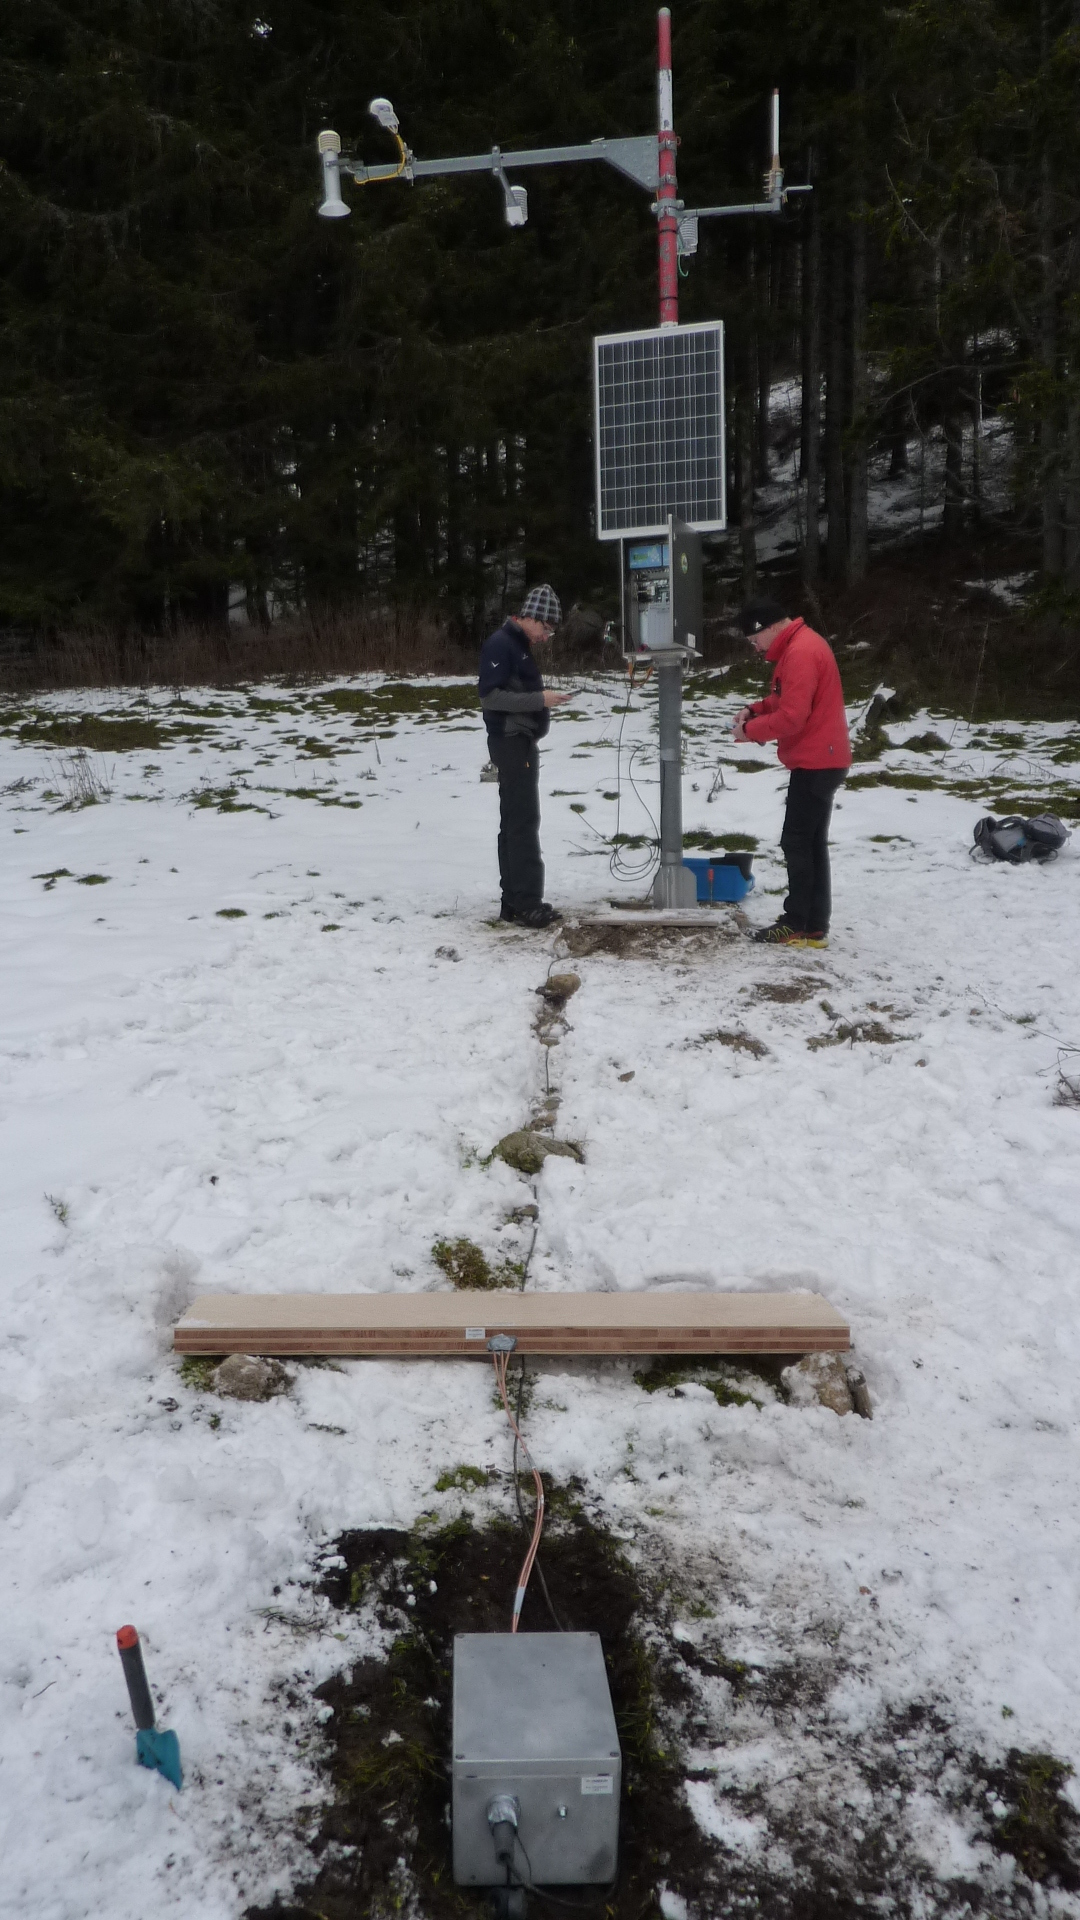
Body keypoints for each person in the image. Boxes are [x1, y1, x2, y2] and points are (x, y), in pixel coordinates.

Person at [732, 597, 851, 948]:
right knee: (810, 844)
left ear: (767, 628)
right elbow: (785, 701)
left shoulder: (800, 652)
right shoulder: (801, 645)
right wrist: (754, 710)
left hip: (817, 761)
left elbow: (791, 717)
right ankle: (813, 924)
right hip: (821, 758)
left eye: (754, 640)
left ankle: (797, 921)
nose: (755, 648)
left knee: (797, 843)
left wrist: (748, 733)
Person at [479, 584, 571, 928]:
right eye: (545, 629)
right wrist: (540, 701)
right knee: (523, 822)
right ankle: (526, 903)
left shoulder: (517, 646)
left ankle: (513, 901)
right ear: (530, 617)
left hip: (519, 742)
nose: (546, 637)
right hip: (510, 741)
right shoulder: (502, 644)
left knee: (516, 821)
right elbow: (490, 697)